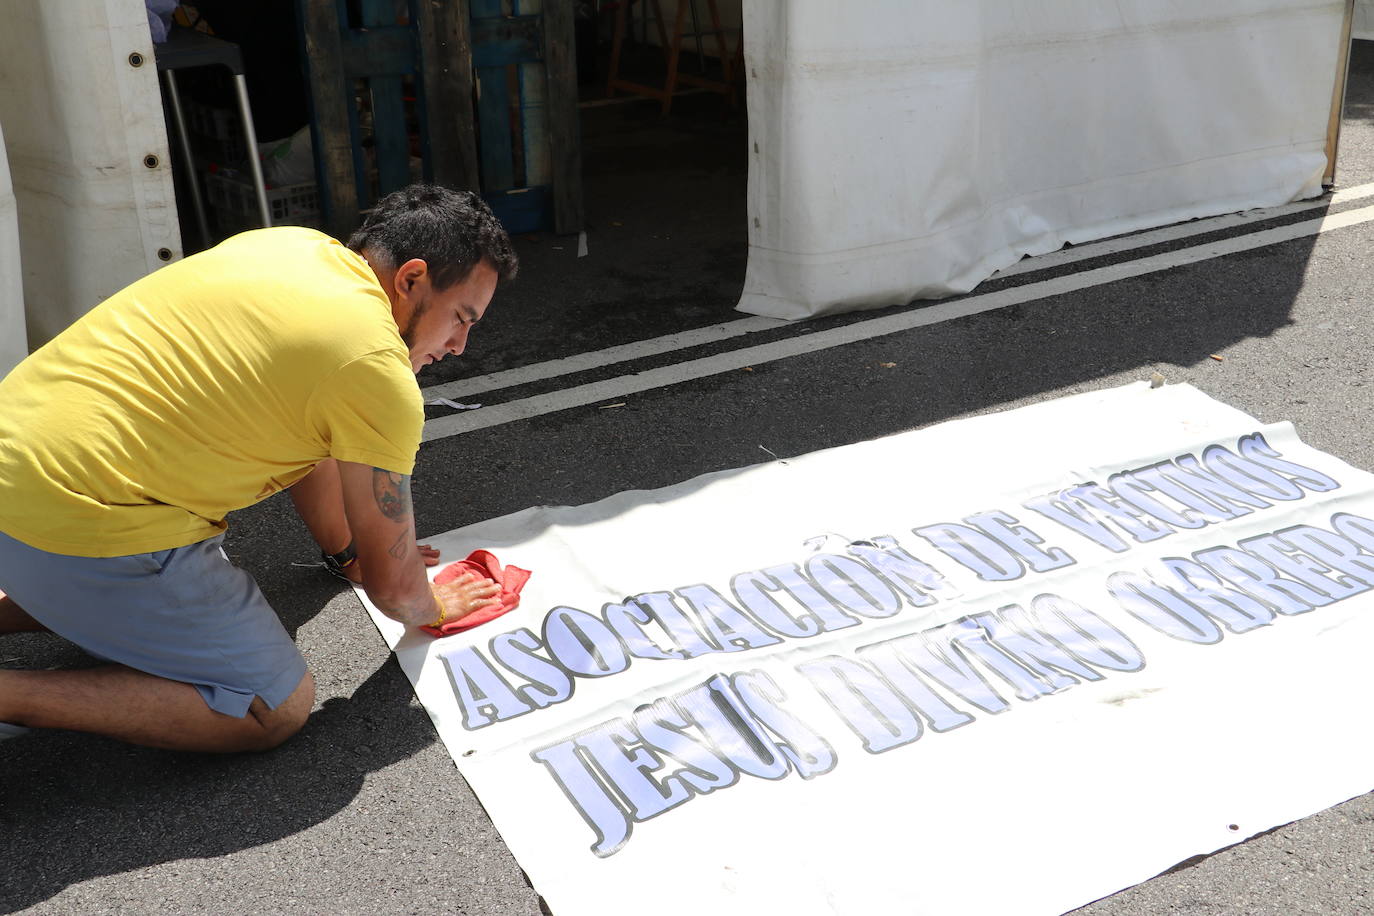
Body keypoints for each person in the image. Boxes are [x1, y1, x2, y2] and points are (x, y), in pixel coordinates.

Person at [0, 184, 517, 752]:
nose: (461, 344)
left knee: (87, 570)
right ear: (412, 279)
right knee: (272, 705)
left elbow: (311, 435)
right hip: (81, 523)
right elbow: (397, 592)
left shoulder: (290, 246)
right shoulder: (375, 366)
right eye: (461, 318)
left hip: (15, 467)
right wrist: (433, 604)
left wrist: (348, 553)